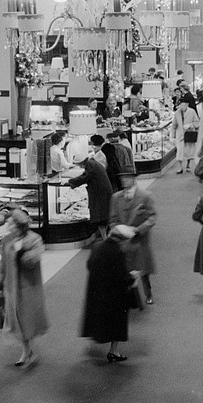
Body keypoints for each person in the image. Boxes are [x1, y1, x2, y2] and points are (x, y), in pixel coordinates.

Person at [0, 209, 50, 370]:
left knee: (26, 319)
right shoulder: (7, 239)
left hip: (28, 286)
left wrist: (21, 252)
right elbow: (3, 261)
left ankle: (27, 350)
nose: (9, 226)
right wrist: (1, 280)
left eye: (12, 223)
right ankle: (27, 349)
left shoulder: (34, 239)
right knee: (17, 320)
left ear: (20, 225)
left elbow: (33, 261)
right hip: (12, 286)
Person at [81, 224, 139, 363]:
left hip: (96, 291)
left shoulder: (97, 246)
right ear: (122, 240)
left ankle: (98, 338)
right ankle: (114, 351)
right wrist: (134, 277)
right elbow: (121, 276)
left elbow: (89, 265)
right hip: (114, 295)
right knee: (117, 323)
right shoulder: (117, 252)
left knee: (98, 319)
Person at [109, 171, 157, 305]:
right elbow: (112, 219)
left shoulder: (145, 196)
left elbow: (152, 218)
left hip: (140, 240)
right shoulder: (115, 198)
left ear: (134, 179)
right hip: (122, 240)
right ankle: (126, 296)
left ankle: (148, 293)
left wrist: (139, 229)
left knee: (143, 269)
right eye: (122, 178)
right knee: (123, 269)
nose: (123, 181)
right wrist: (118, 229)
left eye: (126, 178)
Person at [68, 153, 113, 239]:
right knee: (104, 216)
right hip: (103, 193)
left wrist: (71, 182)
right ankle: (104, 236)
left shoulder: (90, 164)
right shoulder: (93, 163)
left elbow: (85, 177)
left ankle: (104, 238)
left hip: (100, 194)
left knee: (100, 217)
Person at [171, 98, 200, 174]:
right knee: (180, 151)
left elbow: (197, 122)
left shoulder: (192, 112)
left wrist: (190, 125)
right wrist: (172, 135)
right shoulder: (177, 113)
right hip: (180, 134)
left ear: (187, 105)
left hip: (189, 133)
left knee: (188, 151)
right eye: (181, 105)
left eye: (184, 105)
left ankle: (188, 165)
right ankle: (180, 167)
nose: (183, 106)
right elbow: (174, 124)